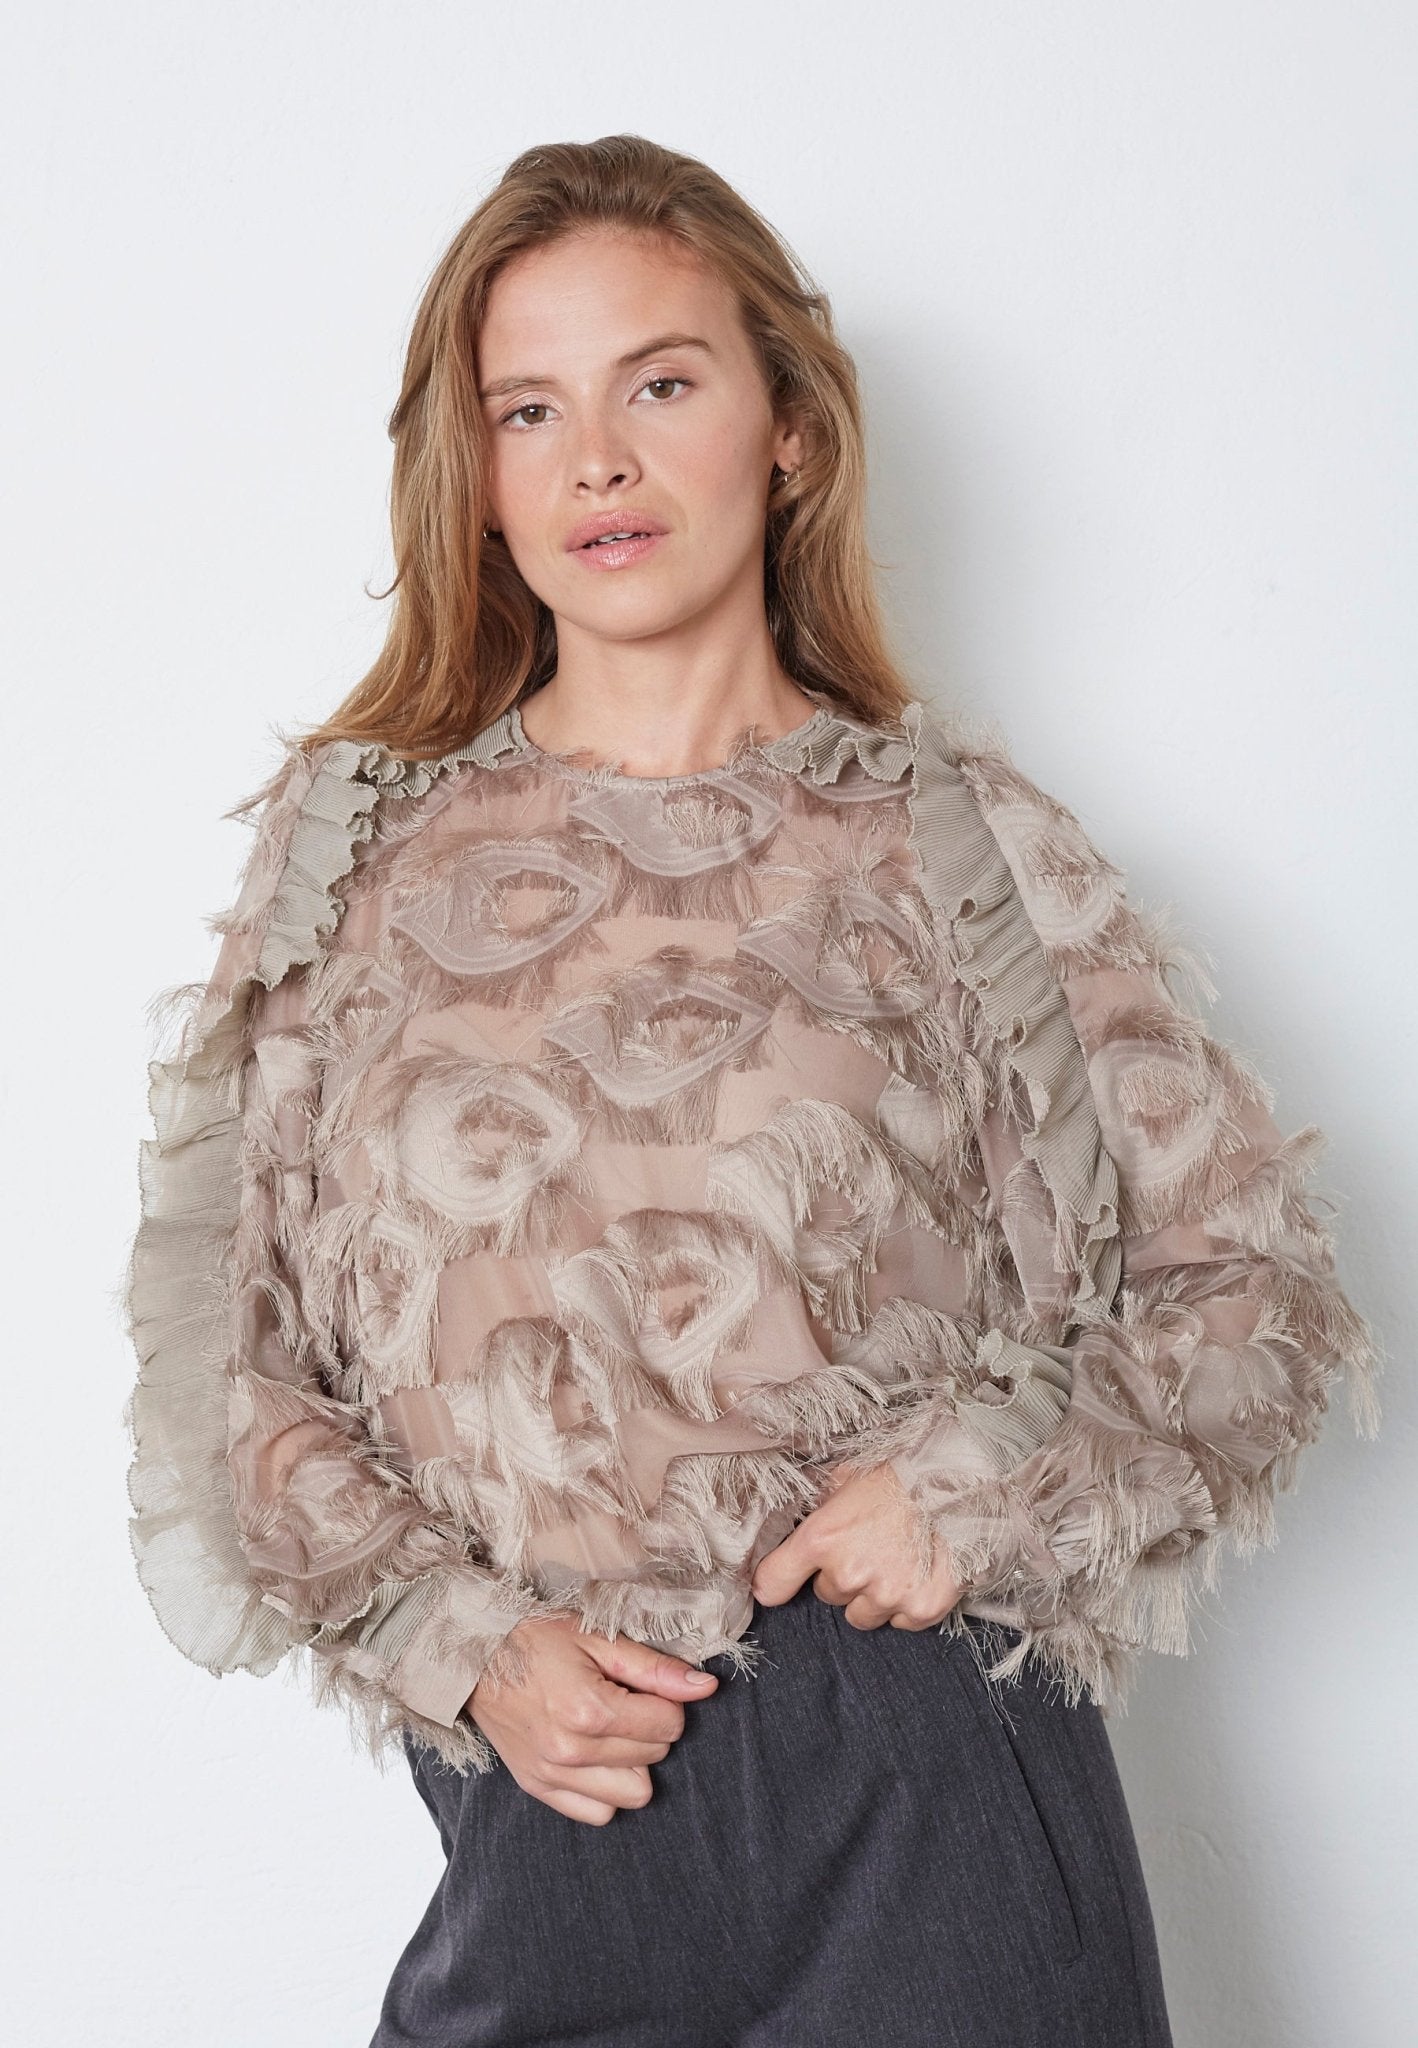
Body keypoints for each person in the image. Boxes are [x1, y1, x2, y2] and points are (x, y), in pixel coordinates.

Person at [121, 134, 1381, 2048]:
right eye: (528, 410)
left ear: (786, 428)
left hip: (928, 1788)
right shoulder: (356, 860)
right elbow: (239, 1376)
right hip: (555, 1807)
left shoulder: (954, 846)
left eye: (660, 384)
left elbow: (1248, 1286)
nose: (596, 462)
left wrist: (973, 1492)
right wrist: (468, 1651)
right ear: (477, 478)